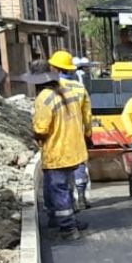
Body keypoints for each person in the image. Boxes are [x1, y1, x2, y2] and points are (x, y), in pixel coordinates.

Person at [29, 68, 91, 240]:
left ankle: (68, 228)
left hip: (57, 152)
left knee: (58, 189)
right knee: (62, 186)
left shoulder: (44, 98)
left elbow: (41, 128)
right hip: (73, 149)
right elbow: (85, 116)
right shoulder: (68, 93)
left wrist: (35, 136)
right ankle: (59, 219)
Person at [49, 49, 94, 210]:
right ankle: (81, 195)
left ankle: (70, 201)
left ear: (54, 68)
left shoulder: (51, 87)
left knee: (62, 170)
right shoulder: (79, 88)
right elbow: (87, 114)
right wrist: (88, 134)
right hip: (77, 133)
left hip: (58, 135)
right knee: (79, 164)